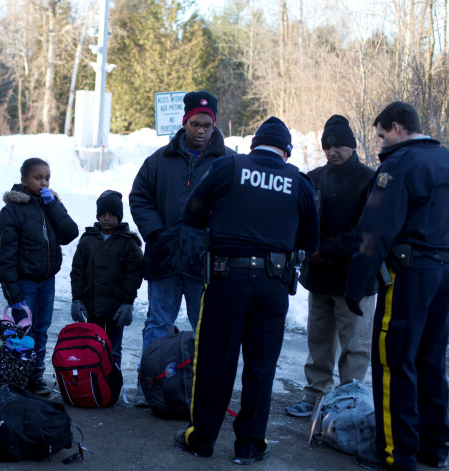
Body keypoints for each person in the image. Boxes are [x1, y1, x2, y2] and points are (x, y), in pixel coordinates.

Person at [174, 117, 319, 464]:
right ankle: (250, 446)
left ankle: (202, 441)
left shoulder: (228, 166)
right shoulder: (298, 182)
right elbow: (312, 241)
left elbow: (191, 213)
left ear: (253, 146)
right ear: (286, 151)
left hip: (227, 280)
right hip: (273, 284)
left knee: (215, 362)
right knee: (260, 366)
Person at [344, 102, 449, 471]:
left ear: (396, 127)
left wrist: (356, 285)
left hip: (410, 275)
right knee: (431, 361)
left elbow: (374, 231)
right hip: (444, 273)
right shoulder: (445, 159)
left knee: (394, 361)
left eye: (382, 135)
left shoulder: (400, 165)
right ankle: (433, 447)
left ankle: (394, 452)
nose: (380, 143)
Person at [129, 91, 235, 403]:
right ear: (185, 122)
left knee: (205, 325)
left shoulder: (227, 162)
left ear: (214, 127)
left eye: (208, 126)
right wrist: (157, 233)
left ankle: (201, 389)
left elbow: (234, 207)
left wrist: (214, 240)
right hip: (164, 257)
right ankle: (149, 384)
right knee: (159, 322)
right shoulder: (159, 160)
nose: (201, 131)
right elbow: (139, 198)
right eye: (196, 124)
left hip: (203, 260)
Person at [285, 115, 377, 417]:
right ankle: (314, 396)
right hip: (319, 278)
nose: (332, 151)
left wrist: (327, 249)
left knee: (356, 347)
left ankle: (349, 404)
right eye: (327, 146)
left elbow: (369, 232)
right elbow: (298, 220)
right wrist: (309, 248)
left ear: (351, 146)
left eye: (338, 145)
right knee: (319, 342)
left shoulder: (369, 180)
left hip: (356, 280)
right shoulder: (313, 178)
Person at [0, 158, 79, 395]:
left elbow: (70, 233)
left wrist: (53, 206)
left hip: (47, 281)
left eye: (47, 178)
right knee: (23, 331)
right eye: (37, 178)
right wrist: (13, 294)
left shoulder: (50, 205)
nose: (43, 182)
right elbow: (4, 255)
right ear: (24, 180)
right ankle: (18, 374)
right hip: (25, 283)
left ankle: (36, 374)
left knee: (42, 328)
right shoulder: (11, 211)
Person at [70, 190, 143, 367]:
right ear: (98, 216)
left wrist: (127, 303)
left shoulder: (128, 243)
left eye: (112, 214)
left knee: (113, 348)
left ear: (119, 217)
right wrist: (77, 299)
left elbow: (134, 275)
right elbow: (77, 271)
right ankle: (93, 383)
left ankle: (113, 383)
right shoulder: (88, 241)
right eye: (103, 214)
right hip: (92, 306)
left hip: (116, 309)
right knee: (93, 347)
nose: (107, 218)